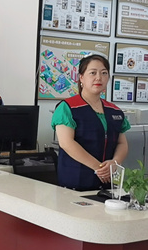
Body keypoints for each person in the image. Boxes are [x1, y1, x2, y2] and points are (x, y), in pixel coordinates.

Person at [51, 54, 130, 191]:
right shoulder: (67, 107)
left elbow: (122, 143)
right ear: (81, 77)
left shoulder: (114, 110)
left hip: (107, 186)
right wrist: (99, 168)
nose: (99, 78)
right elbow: (66, 143)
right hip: (75, 184)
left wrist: (115, 162)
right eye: (93, 73)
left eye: (104, 73)